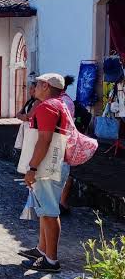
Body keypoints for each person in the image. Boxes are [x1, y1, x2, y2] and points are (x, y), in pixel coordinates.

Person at [19, 73, 71, 273]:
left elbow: (44, 140)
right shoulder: (59, 104)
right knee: (45, 210)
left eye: (37, 84)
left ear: (46, 86)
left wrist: (32, 168)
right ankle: (43, 250)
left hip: (47, 166)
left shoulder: (48, 107)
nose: (34, 88)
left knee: (49, 212)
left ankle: (51, 260)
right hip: (55, 164)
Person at [59, 75, 76, 214]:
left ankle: (62, 202)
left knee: (64, 172)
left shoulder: (63, 102)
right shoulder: (65, 100)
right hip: (65, 140)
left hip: (63, 141)